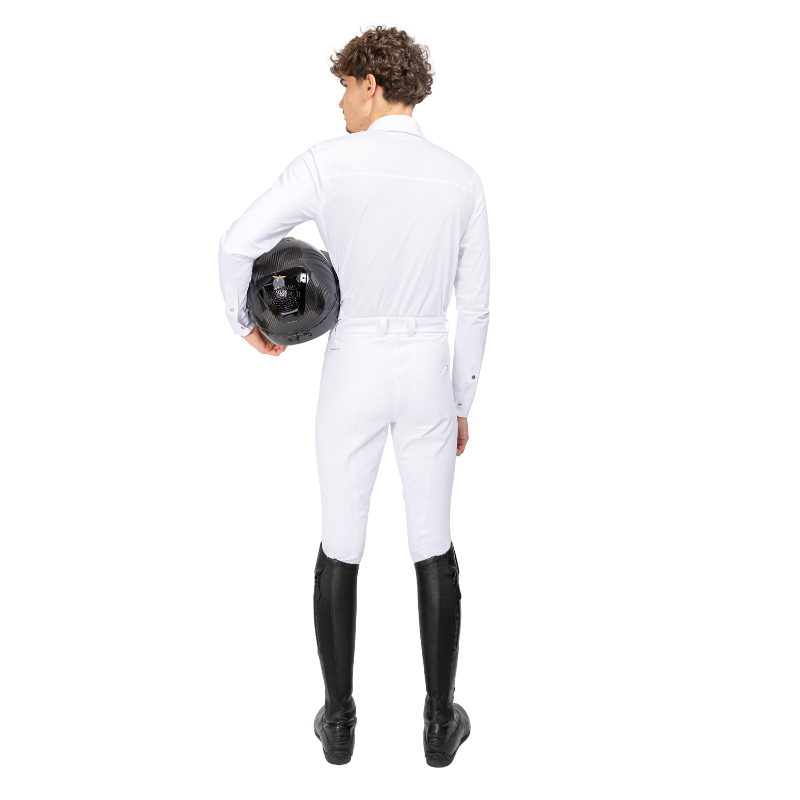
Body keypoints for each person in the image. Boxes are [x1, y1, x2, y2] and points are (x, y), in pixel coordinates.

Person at [218, 26, 490, 768]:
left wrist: (247, 324)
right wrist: (461, 400)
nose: (339, 103)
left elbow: (237, 242)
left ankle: (338, 725)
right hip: (428, 365)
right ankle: (440, 725)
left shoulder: (327, 163)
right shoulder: (461, 179)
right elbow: (475, 307)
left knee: (341, 539)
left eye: (344, 87)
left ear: (372, 84)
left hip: (353, 363)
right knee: (432, 542)